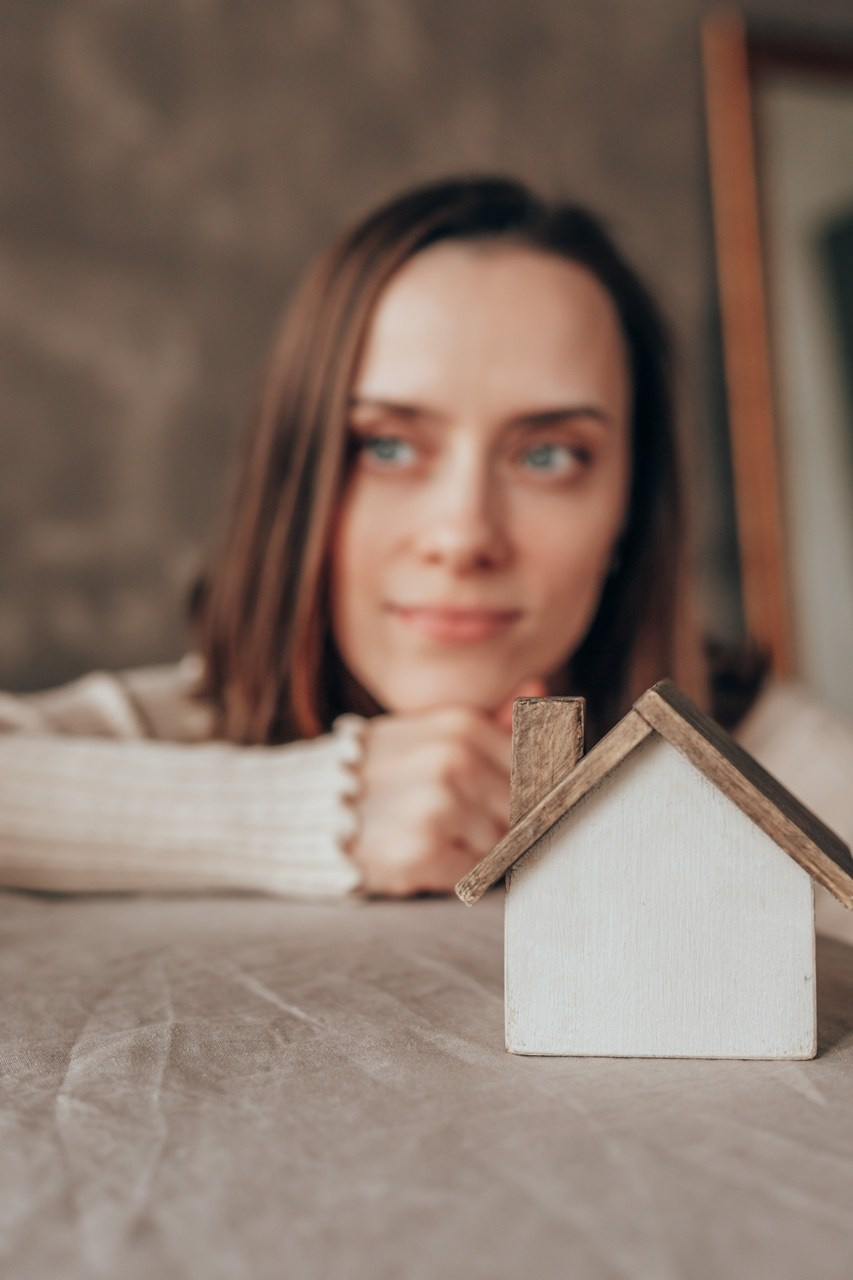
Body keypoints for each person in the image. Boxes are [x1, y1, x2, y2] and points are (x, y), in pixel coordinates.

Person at [0, 175, 726, 902]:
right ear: (296, 482)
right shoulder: (175, 730)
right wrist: (318, 812)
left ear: (631, 504)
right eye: (386, 447)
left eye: (547, 457)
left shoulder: (789, 762)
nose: (462, 536)